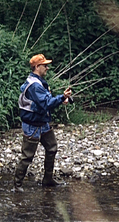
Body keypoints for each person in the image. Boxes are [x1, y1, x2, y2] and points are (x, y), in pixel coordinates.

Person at [14, 54, 72, 192]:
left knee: (52, 148)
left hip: (42, 123)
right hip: (32, 125)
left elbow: (46, 101)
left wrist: (60, 100)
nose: (47, 67)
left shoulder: (38, 82)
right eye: (45, 65)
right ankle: (17, 186)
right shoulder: (34, 85)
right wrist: (62, 97)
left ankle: (48, 179)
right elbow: (46, 103)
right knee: (27, 156)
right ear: (36, 67)